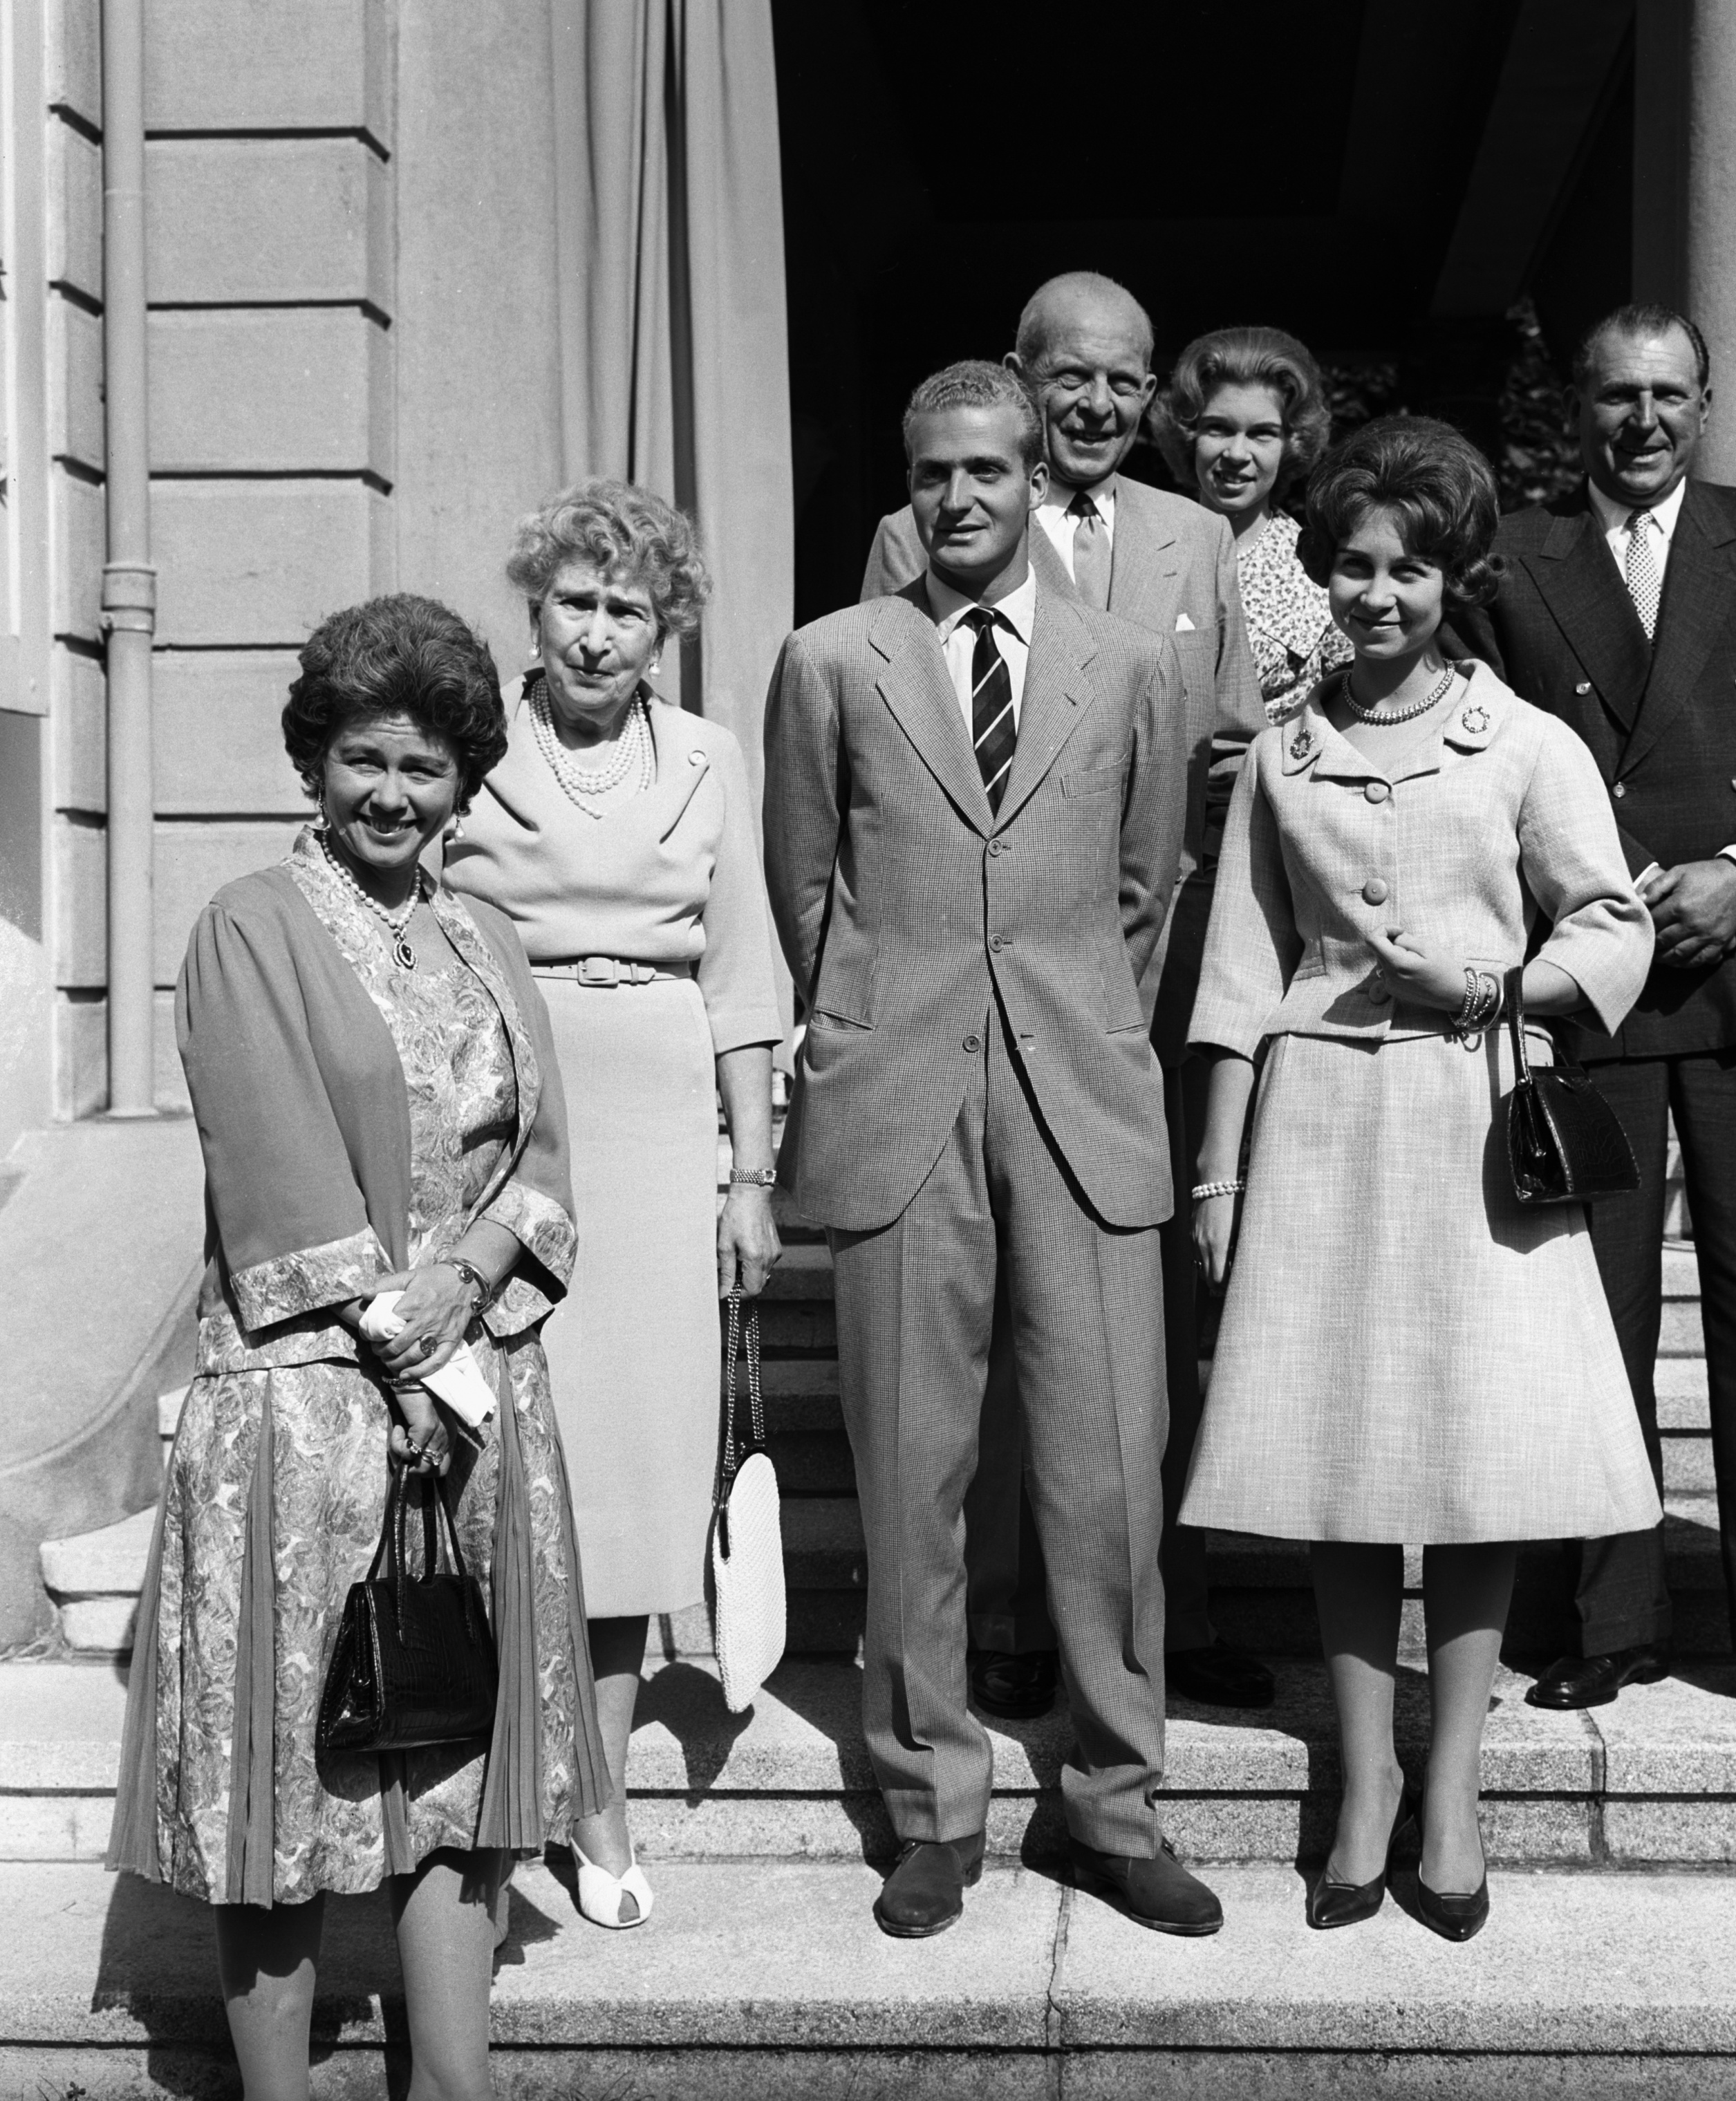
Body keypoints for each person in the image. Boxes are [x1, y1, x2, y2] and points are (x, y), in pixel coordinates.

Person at [108, 595, 606, 2101]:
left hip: (482, 1392)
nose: (392, 793)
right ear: (315, 761)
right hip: (306, 1405)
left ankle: (453, 2082)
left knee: (457, 1764)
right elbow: (276, 1169)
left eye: (425, 766)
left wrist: (467, 1282)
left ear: (466, 780)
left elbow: (543, 1160)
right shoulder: (248, 924)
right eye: (363, 760)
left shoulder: (487, 938)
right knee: (287, 1782)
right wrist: (406, 1345)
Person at [765, 359, 1221, 1940]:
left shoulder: (1126, 665)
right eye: (932, 473)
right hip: (900, 1093)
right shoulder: (831, 659)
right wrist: (868, 1025)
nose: (958, 498)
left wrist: (1081, 1020)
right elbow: (806, 886)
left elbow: (1148, 886)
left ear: (1038, 482)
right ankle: (930, 1808)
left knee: (1104, 1473)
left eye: (987, 471)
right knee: (911, 1476)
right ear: (906, 489)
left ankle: (1113, 1804)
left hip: (1079, 1093)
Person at [1185, 415, 1658, 1939]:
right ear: (1321, 573)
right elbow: (1239, 965)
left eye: (1407, 569)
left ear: (1455, 580)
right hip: (1321, 1122)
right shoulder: (1283, 752)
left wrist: (1500, 988)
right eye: (1352, 566)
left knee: (1470, 1457)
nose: (1376, 594)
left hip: (1474, 1115)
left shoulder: (1523, 742)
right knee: (1336, 1459)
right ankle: (1366, 1775)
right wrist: (1217, 1171)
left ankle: (1449, 1785)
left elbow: (1612, 921)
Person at [1458, 302, 1736, 1736]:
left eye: (1666, 394)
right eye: (1613, 395)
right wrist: (1612, 896)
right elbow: (1490, 749)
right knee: (1597, 1316)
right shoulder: (1513, 556)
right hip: (1596, 978)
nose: (1640, 420)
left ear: (1705, 403)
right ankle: (1606, 1621)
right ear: (1572, 408)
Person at [862, 272, 1273, 1719]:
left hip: (1141, 990)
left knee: (1144, 1324)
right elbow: (885, 764)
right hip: (970, 999)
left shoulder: (1195, 535)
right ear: (1021, 378)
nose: (1097, 403)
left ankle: (1164, 1606)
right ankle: (1004, 1619)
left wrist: (1130, 993)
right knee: (984, 1325)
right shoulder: (926, 522)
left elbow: (1215, 759)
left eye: (1123, 379)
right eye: (1070, 377)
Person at [441, 481, 782, 1929]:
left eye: (625, 609)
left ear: (665, 628)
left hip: (654, 1110)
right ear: (537, 607)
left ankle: (597, 1798)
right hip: (498, 1106)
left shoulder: (705, 755)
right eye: (575, 601)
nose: (595, 632)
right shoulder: (469, 741)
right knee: (497, 1449)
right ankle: (478, 1777)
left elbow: (744, 970)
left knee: (632, 1474)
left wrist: (749, 1175)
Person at [1150, 324, 1352, 721]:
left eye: (1261, 434)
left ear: (1291, 444)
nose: (1237, 453)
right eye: (1219, 428)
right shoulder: (1141, 545)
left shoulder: (1319, 569)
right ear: (1189, 434)